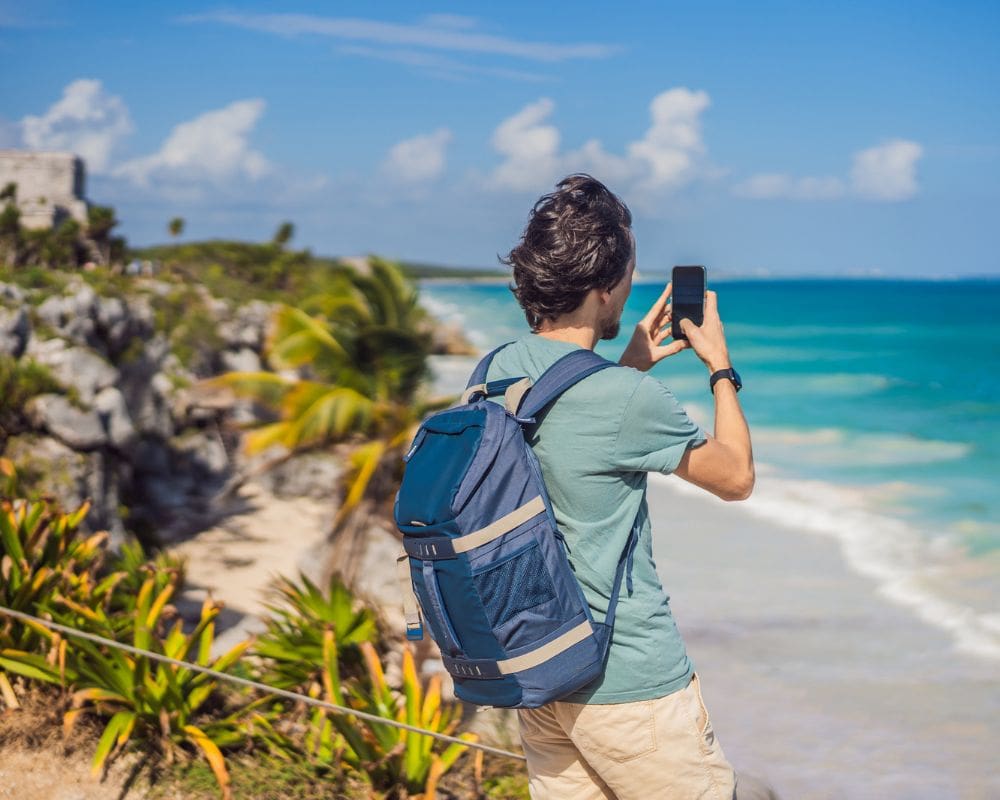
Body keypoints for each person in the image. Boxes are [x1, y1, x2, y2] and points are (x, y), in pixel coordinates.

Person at [484, 174, 776, 799]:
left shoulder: (494, 372)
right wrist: (720, 366)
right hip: (628, 686)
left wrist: (625, 369)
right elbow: (736, 478)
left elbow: (567, 442)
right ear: (605, 287)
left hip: (539, 671)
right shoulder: (624, 399)